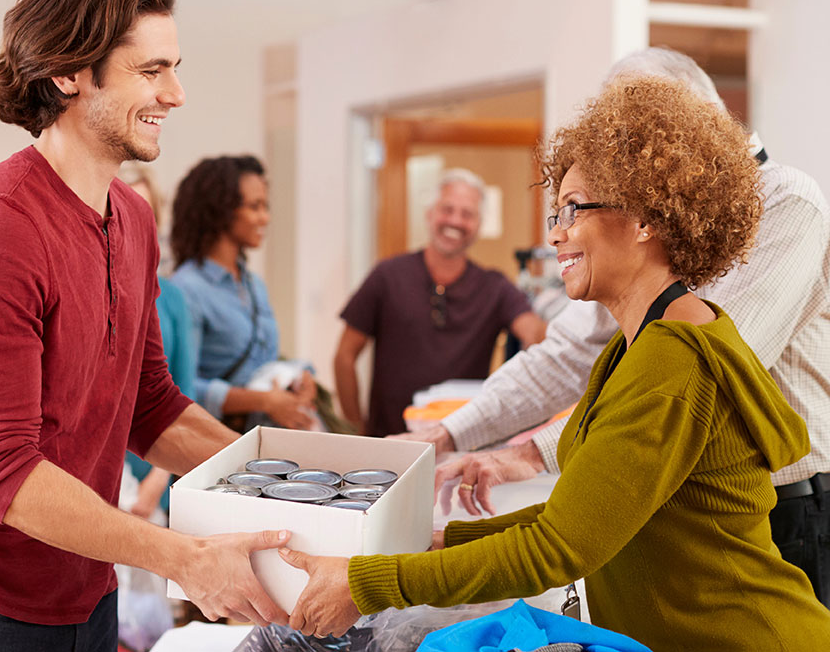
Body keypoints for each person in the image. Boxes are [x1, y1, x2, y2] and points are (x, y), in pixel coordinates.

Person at [278, 76, 830, 648]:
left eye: (573, 210)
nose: (557, 236)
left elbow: (557, 549)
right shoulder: (638, 343)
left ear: (647, 219)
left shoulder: (672, 361)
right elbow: (570, 519)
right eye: (555, 215)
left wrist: (369, 583)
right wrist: (436, 543)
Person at [0, 0, 288, 652]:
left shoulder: (131, 217)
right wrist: (182, 558)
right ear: (71, 73)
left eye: (175, 68)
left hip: (85, 594)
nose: (176, 93)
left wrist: (287, 477)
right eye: (151, 70)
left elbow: (150, 406)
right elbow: (0, 471)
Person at [405, 48, 830, 606]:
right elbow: (568, 353)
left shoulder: (786, 200)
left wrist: (534, 453)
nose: (560, 233)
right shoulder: (633, 242)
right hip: (681, 502)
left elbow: (697, 376)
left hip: (788, 504)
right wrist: (448, 435)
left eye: (637, 141)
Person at [335, 169, 546, 437]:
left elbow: (534, 334)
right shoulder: (387, 276)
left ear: (479, 225)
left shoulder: (495, 287)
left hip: (463, 445)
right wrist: (355, 431)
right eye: (447, 209)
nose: (455, 221)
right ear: (430, 213)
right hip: (389, 443)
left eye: (467, 214)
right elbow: (344, 356)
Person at [170, 155, 318, 432]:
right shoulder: (186, 289)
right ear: (220, 210)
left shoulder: (254, 284)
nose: (266, 217)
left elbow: (263, 364)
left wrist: (299, 381)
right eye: (255, 206)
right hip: (220, 440)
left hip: (267, 435)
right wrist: (263, 401)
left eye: (266, 206)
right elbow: (179, 386)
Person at [119, 161, 194, 521]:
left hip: (153, 475)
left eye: (143, 212)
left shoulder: (173, 298)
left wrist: (155, 484)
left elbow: (180, 396)